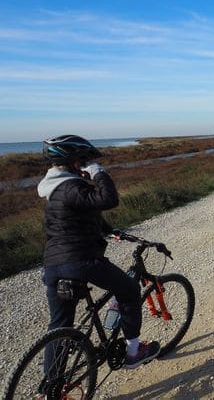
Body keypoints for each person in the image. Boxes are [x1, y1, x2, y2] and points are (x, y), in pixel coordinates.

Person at [37, 134, 160, 370]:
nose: (85, 167)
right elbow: (107, 199)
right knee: (129, 289)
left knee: (60, 327)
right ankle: (134, 353)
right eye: (84, 162)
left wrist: (109, 230)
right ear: (76, 162)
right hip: (81, 260)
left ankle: (51, 389)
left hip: (53, 265)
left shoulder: (54, 192)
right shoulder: (71, 186)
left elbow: (75, 216)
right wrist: (98, 172)